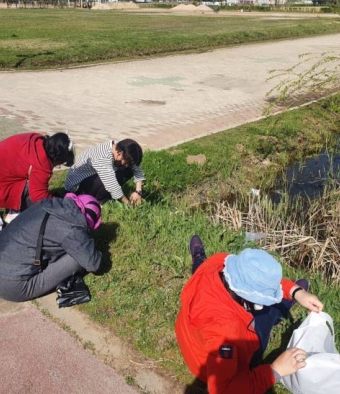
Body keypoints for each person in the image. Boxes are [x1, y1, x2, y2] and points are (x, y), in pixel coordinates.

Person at [175, 236, 324, 394]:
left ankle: (198, 258)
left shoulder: (218, 263)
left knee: (200, 268)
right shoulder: (226, 332)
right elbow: (223, 390)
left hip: (191, 341)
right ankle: (283, 306)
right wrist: (275, 370)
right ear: (249, 299)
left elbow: (255, 279)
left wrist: (295, 292)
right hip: (206, 367)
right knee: (266, 318)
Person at [0, 193, 103, 302]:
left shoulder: (45, 204)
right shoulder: (73, 228)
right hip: (10, 286)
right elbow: (94, 264)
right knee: (77, 259)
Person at [0, 132, 75, 223]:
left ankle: (15, 205)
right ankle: (14, 213)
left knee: (33, 180)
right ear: (57, 158)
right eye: (59, 163)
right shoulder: (41, 164)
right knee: (37, 199)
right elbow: (38, 196)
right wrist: (60, 203)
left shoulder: (36, 140)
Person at [64, 139, 145, 206]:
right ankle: (98, 200)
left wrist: (138, 192)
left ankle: (104, 196)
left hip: (90, 177)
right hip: (77, 188)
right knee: (110, 180)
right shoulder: (103, 157)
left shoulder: (118, 147)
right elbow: (112, 185)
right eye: (126, 162)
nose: (127, 165)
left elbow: (136, 167)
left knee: (129, 169)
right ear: (119, 154)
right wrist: (129, 204)